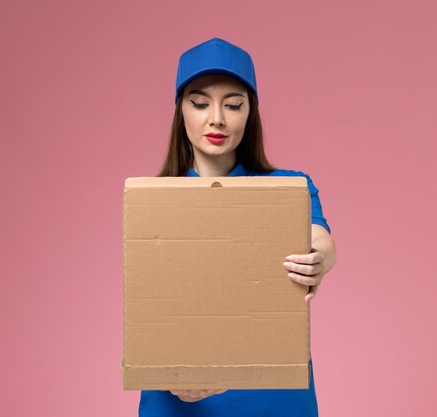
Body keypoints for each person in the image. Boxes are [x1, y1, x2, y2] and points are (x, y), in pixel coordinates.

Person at [137, 37, 337, 416]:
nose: (217, 118)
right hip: (180, 399)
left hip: (274, 400)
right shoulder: (152, 200)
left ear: (251, 113)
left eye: (233, 105)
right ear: (181, 111)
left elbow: (320, 239)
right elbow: (147, 309)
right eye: (199, 103)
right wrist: (169, 372)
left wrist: (317, 258)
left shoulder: (288, 188)